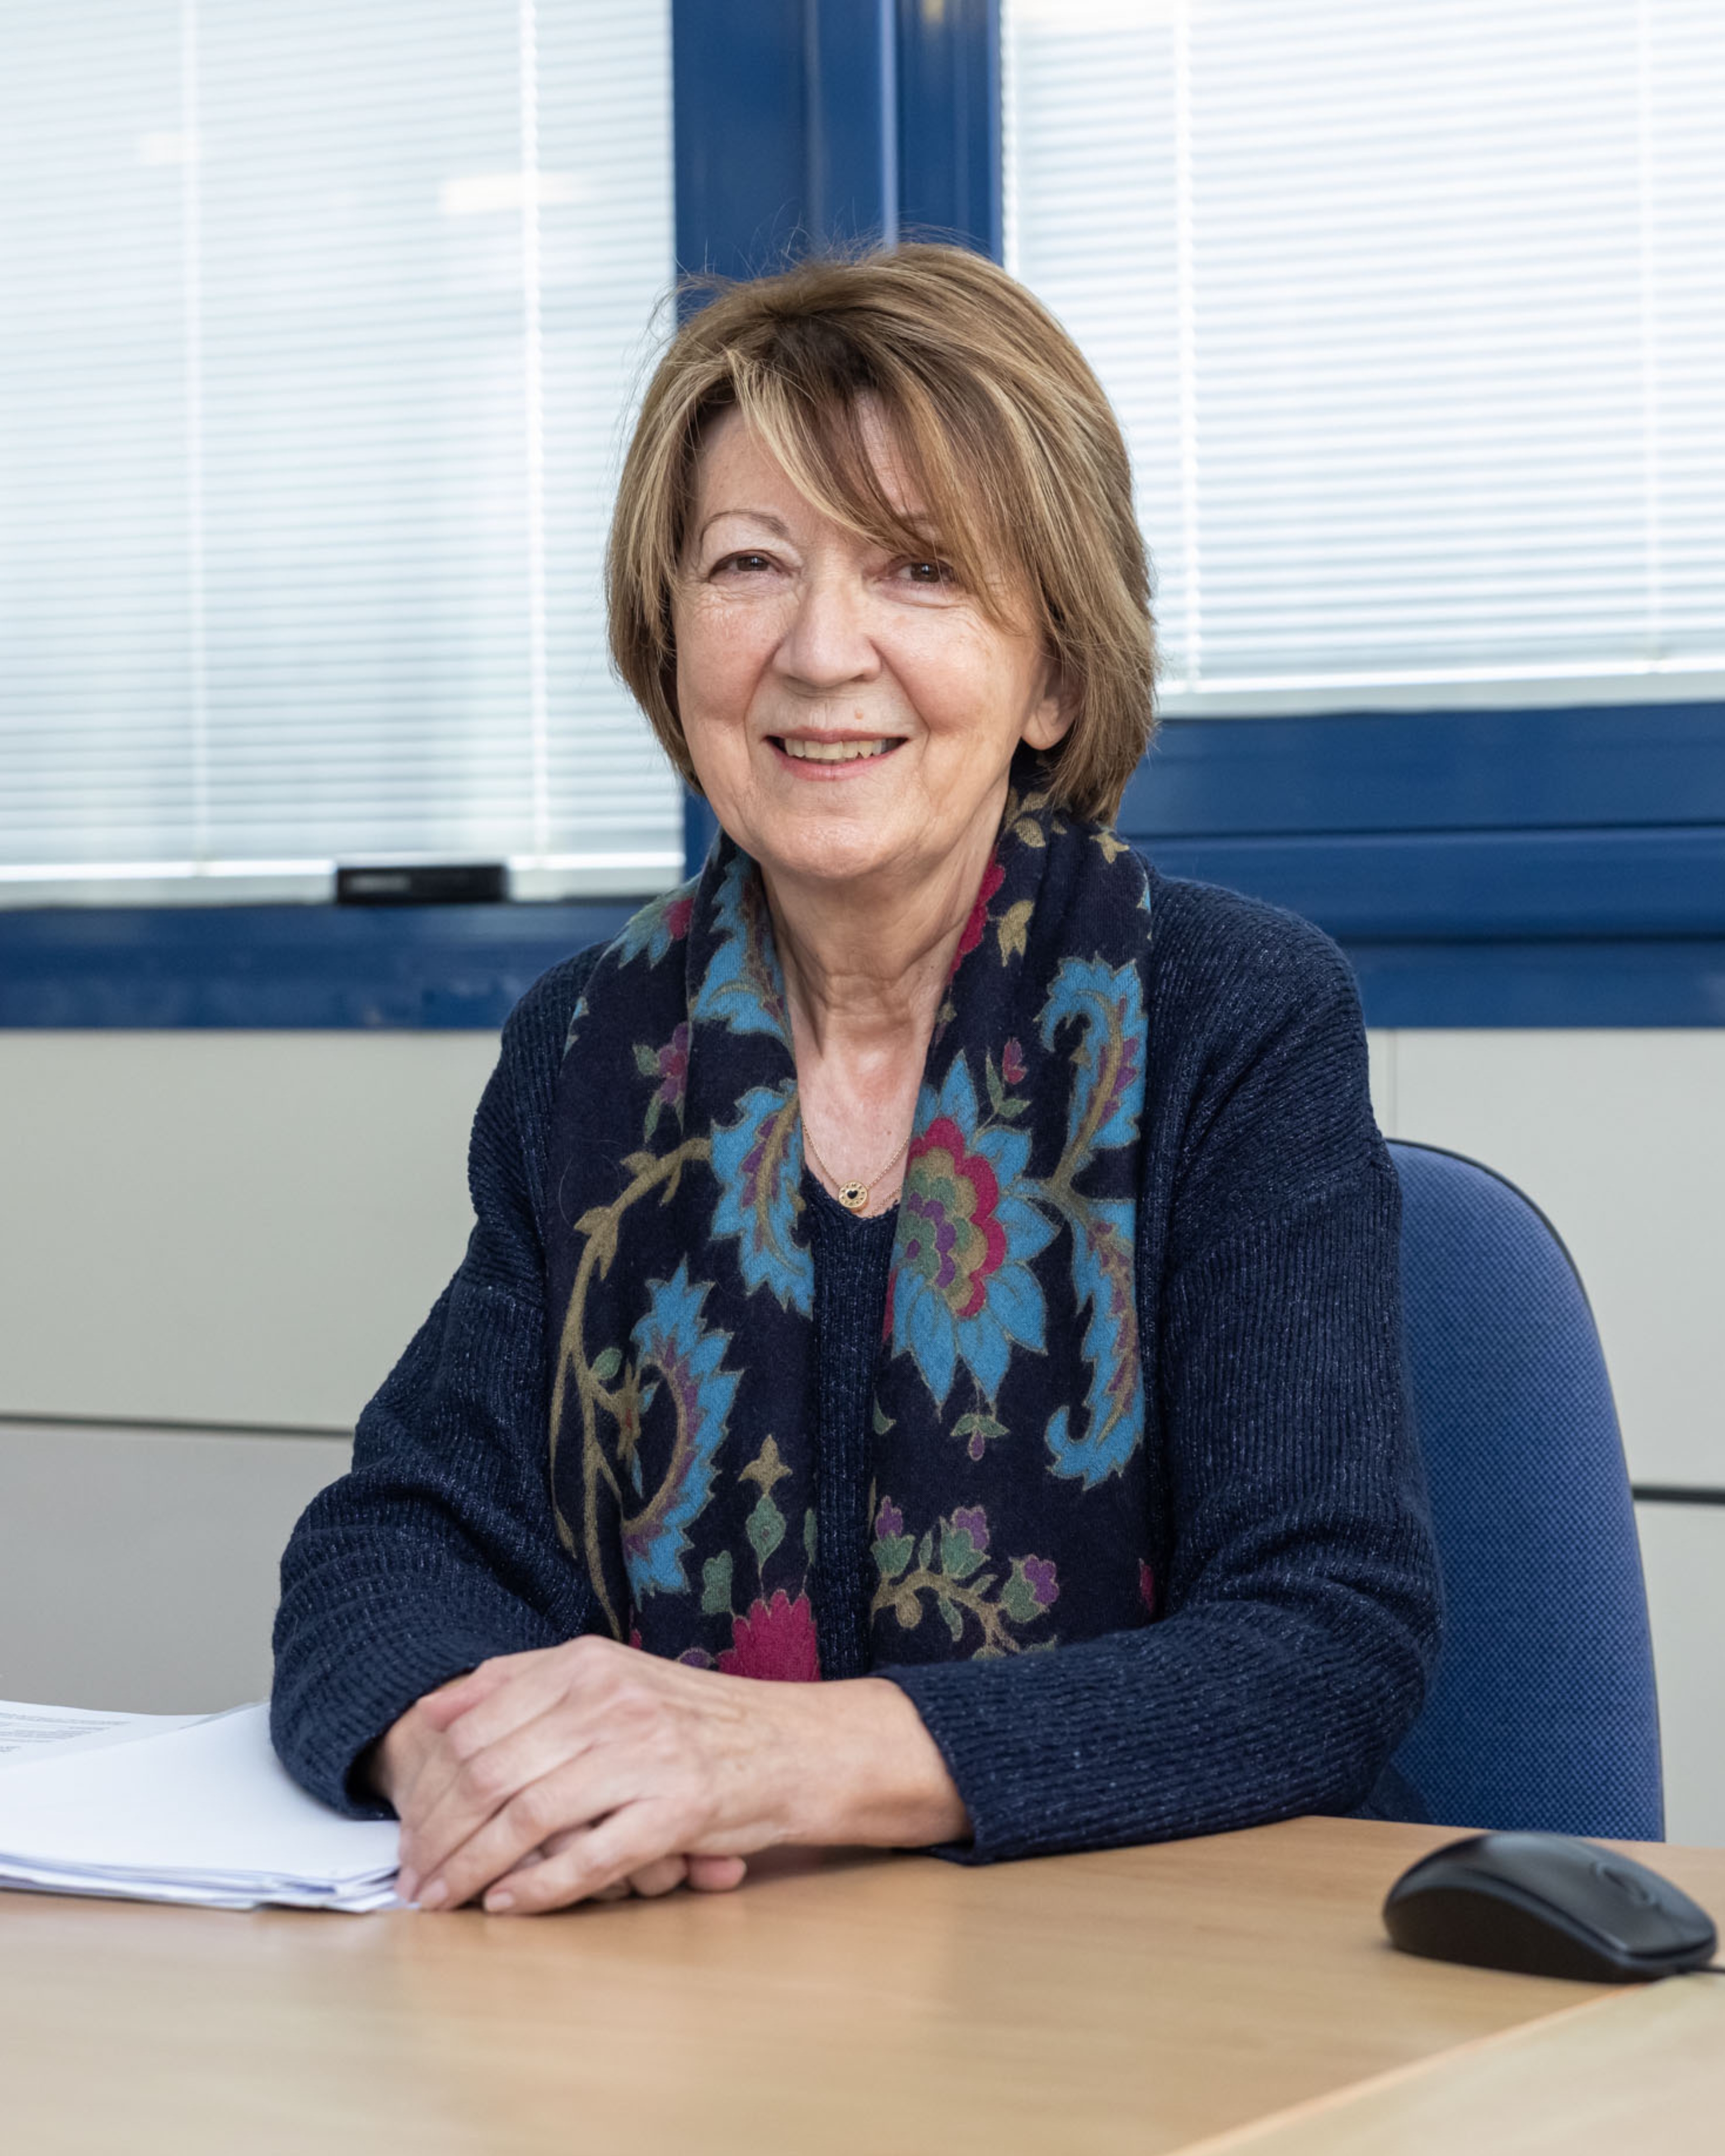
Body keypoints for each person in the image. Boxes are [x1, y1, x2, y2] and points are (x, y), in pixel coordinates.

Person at [272, 244, 1441, 1915]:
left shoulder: (1228, 1011)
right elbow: (390, 1543)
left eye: (919, 571)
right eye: (751, 565)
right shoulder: (593, 1048)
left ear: (1053, 673)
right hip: (706, 1984)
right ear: (672, 643)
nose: (822, 651)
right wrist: (444, 1740)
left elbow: (1326, 1639)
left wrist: (777, 1753)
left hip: (1151, 1969)